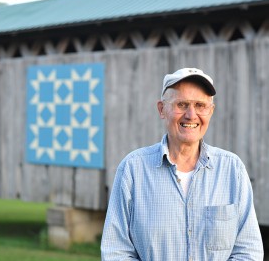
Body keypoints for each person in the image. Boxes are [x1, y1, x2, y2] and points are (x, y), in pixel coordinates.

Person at [101, 68, 264, 260]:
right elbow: (116, 251)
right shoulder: (133, 169)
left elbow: (248, 251)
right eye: (182, 104)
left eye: (200, 105)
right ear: (162, 109)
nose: (191, 115)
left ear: (210, 111)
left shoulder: (232, 170)